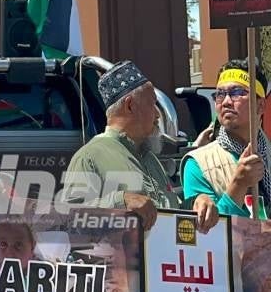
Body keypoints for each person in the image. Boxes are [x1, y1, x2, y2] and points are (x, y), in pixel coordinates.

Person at [64, 60, 217, 231]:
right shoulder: (90, 157)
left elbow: (168, 213)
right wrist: (121, 201)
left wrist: (197, 203)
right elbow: (71, 220)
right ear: (130, 106)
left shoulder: (149, 157)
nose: (158, 117)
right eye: (152, 104)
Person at [182, 60, 270, 218]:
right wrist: (239, 184)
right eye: (220, 94)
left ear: (261, 105)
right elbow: (207, 233)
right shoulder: (198, 163)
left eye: (237, 93)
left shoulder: (267, 153)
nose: (227, 102)